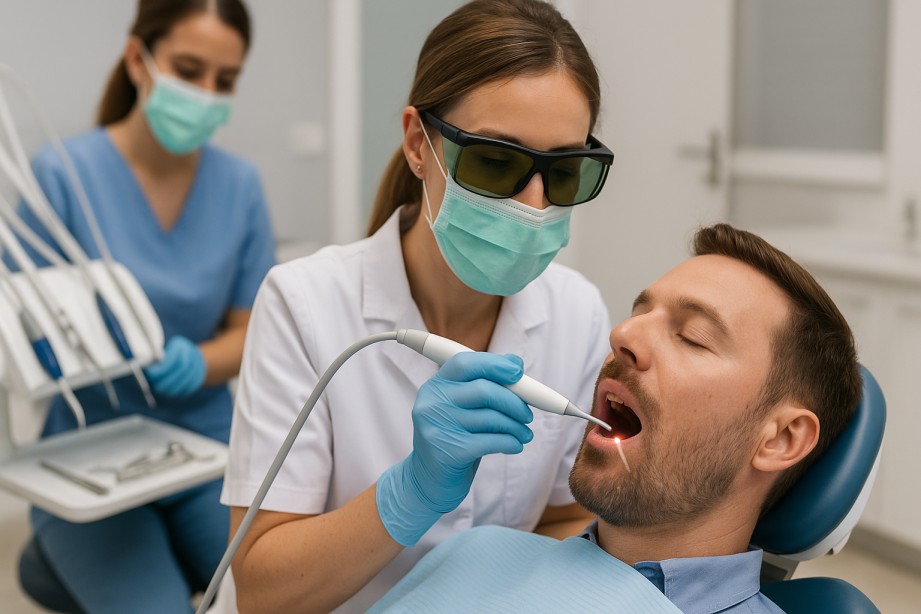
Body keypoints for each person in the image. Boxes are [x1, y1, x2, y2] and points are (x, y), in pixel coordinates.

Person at [221, 0, 614, 611]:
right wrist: (408, 495)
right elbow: (262, 591)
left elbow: (564, 521)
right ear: (417, 144)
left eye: (563, 173)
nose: (535, 205)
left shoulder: (577, 312)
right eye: (495, 161)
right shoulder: (304, 304)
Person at [369, 223, 863, 613]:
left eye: (691, 336)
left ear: (780, 439)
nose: (622, 334)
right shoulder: (476, 555)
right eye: (638, 312)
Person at [15, 1, 276, 612]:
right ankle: (51, 561)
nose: (207, 94)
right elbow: (20, 330)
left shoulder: (238, 186)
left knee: (268, 595)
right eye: (189, 70)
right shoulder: (60, 176)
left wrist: (201, 361)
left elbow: (251, 330)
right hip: (86, 456)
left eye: (226, 80)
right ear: (139, 59)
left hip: (206, 449)